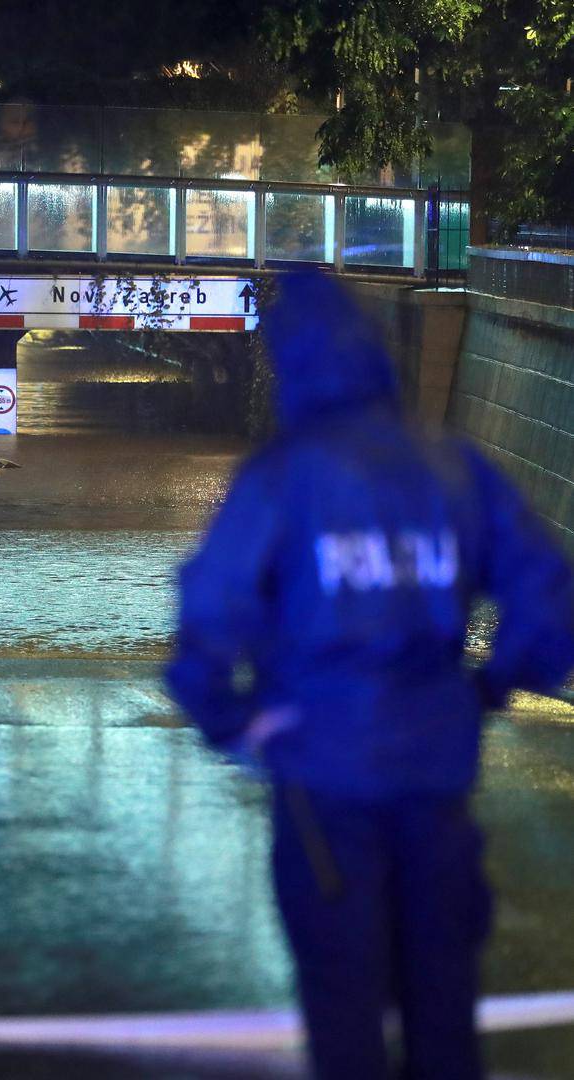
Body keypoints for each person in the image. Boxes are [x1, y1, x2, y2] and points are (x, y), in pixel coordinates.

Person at [165, 270, 574, 1079]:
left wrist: (231, 719)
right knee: (440, 995)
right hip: (434, 774)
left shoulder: (284, 476)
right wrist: (488, 687)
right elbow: (548, 596)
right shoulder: (452, 465)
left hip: (323, 778)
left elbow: (210, 613)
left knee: (342, 997)